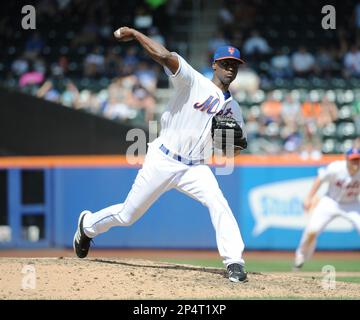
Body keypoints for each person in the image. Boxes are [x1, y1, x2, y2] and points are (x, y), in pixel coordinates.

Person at [73, 26, 248, 283]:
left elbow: (232, 152)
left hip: (196, 168)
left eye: (234, 63)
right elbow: (164, 56)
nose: (230, 67)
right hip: (164, 159)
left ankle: (234, 262)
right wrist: (135, 33)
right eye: (225, 62)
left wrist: (236, 142)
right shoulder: (192, 80)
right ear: (215, 65)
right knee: (127, 215)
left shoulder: (233, 108)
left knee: (218, 202)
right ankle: (87, 225)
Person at [293, 147, 360, 270]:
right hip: (330, 202)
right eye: (353, 160)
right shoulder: (336, 168)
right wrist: (309, 197)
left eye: (357, 160)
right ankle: (300, 255)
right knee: (312, 229)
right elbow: (320, 179)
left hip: (352, 204)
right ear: (347, 159)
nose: (355, 162)